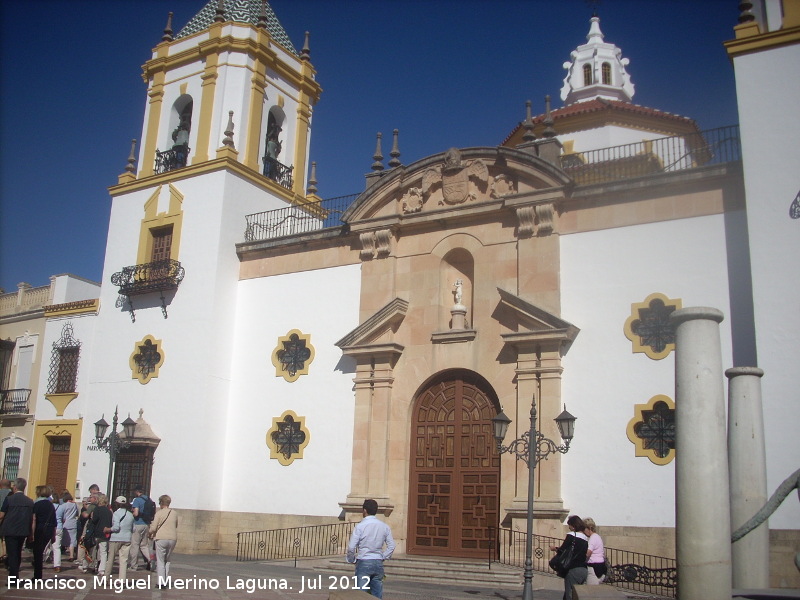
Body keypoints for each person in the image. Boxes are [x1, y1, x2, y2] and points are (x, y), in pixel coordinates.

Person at [346, 499, 396, 599]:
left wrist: (352, 559)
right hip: (378, 561)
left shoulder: (360, 526)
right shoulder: (384, 526)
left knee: (361, 595)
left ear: (364, 510)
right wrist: (383, 556)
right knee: (377, 595)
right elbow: (392, 546)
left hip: (364, 560)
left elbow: (351, 547)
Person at [0, 477, 34, 578]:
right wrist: (30, 534)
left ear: (15, 487)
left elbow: (2, 515)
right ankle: (14, 575)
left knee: (12, 553)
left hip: (10, 530)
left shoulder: (9, 499)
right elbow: (31, 518)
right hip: (23, 530)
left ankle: (13, 577)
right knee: (17, 552)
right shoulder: (29, 501)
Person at [550, 515, 589, 600]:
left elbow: (562, 550)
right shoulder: (586, 538)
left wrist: (555, 548)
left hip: (573, 570)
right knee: (577, 595)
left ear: (574, 525)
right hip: (583, 570)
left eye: (570, 525)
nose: (569, 527)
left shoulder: (571, 535)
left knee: (570, 595)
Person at [149, 494, 178, 587]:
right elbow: (176, 525)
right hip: (172, 538)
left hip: (161, 538)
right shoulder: (174, 513)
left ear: (161, 503)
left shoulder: (159, 513)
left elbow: (153, 527)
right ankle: (165, 580)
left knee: (160, 560)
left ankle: (160, 582)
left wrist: (149, 533)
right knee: (167, 560)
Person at [31, 485, 57, 579]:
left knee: (37, 552)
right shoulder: (51, 505)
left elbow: (34, 519)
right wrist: (53, 535)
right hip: (48, 530)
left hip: (39, 529)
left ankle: (37, 575)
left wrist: (32, 533)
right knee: (41, 552)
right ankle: (38, 575)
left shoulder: (37, 504)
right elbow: (54, 521)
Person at [106, 496, 134, 579]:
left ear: (116, 504)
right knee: (123, 560)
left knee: (110, 559)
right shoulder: (130, 514)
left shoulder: (116, 514)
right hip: (127, 539)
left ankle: (106, 578)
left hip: (116, 538)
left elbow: (116, 527)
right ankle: (122, 580)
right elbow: (134, 528)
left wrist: (108, 529)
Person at [129, 484, 154, 571]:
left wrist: (132, 512)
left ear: (136, 491)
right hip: (146, 524)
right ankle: (151, 561)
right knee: (144, 545)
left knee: (135, 545)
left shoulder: (137, 500)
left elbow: (136, 513)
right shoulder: (148, 499)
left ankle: (133, 565)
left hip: (138, 523)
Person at [53, 490, 79, 572]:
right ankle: (71, 555)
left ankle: (56, 557)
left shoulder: (63, 506)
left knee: (59, 542)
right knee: (72, 540)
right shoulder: (75, 505)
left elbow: (62, 516)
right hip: (73, 524)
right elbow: (77, 514)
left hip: (65, 524)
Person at [91, 494, 113, 576]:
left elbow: (94, 520)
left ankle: (94, 566)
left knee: (95, 550)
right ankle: (102, 569)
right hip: (105, 533)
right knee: (103, 552)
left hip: (97, 532)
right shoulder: (109, 511)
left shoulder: (97, 509)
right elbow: (111, 522)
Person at [584, 517, 607, 584]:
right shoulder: (597, 536)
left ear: (589, 528)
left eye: (584, 529)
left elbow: (588, 553)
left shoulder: (592, 538)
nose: (584, 531)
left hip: (593, 567)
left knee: (591, 590)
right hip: (600, 565)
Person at [0, 478, 11, 564]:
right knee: (7, 540)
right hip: (9, 520)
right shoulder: (12, 494)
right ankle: (6, 555)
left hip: (1, 517)